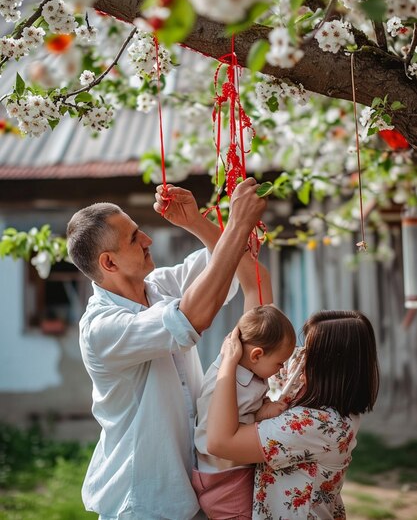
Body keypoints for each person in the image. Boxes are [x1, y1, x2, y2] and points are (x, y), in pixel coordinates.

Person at [66, 177, 267, 520]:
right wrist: (236, 225)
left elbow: (228, 264)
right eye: (134, 238)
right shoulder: (101, 330)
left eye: (139, 230)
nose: (148, 240)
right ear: (109, 263)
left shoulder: (159, 286)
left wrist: (196, 222)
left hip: (194, 490)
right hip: (144, 500)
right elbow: (193, 318)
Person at [206, 310, 380, 519]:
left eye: (310, 351)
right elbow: (263, 343)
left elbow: (220, 443)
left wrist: (228, 362)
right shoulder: (314, 393)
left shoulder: (316, 423)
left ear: (327, 364)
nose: (300, 355)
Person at [193, 289, 298, 520]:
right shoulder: (236, 384)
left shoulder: (231, 367)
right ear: (257, 355)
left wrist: (262, 410)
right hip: (227, 480)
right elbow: (230, 428)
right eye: (279, 363)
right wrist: (263, 413)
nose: (281, 369)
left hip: (207, 473)